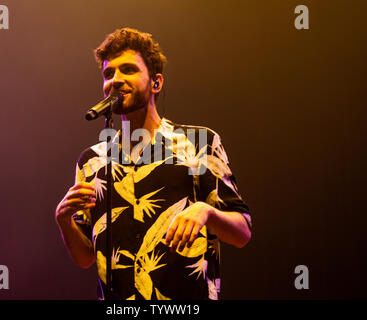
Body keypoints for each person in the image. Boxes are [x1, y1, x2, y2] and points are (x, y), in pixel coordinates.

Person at [55, 27, 251, 300]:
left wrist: (207, 212)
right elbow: (86, 257)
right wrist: (64, 221)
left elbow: (242, 232)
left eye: (128, 70)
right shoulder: (92, 161)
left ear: (156, 83)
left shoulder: (199, 144)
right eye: (109, 73)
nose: (115, 80)